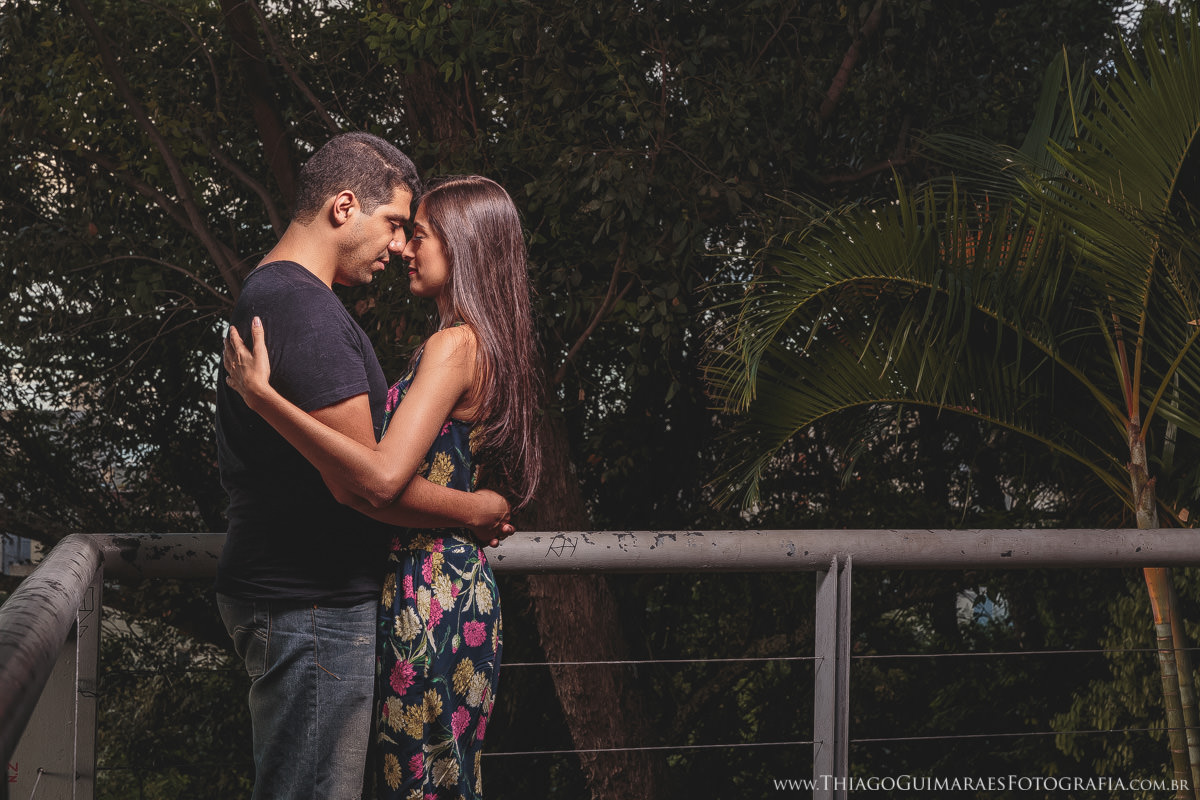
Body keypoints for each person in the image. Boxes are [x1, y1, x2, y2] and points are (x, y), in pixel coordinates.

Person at [223, 175, 542, 799]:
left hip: (430, 589)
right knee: (437, 777)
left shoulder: (453, 346)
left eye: (418, 235)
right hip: (448, 586)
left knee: (421, 783)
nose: (405, 250)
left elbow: (380, 478)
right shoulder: (486, 344)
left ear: (464, 246)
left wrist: (263, 398)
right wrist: (474, 508)